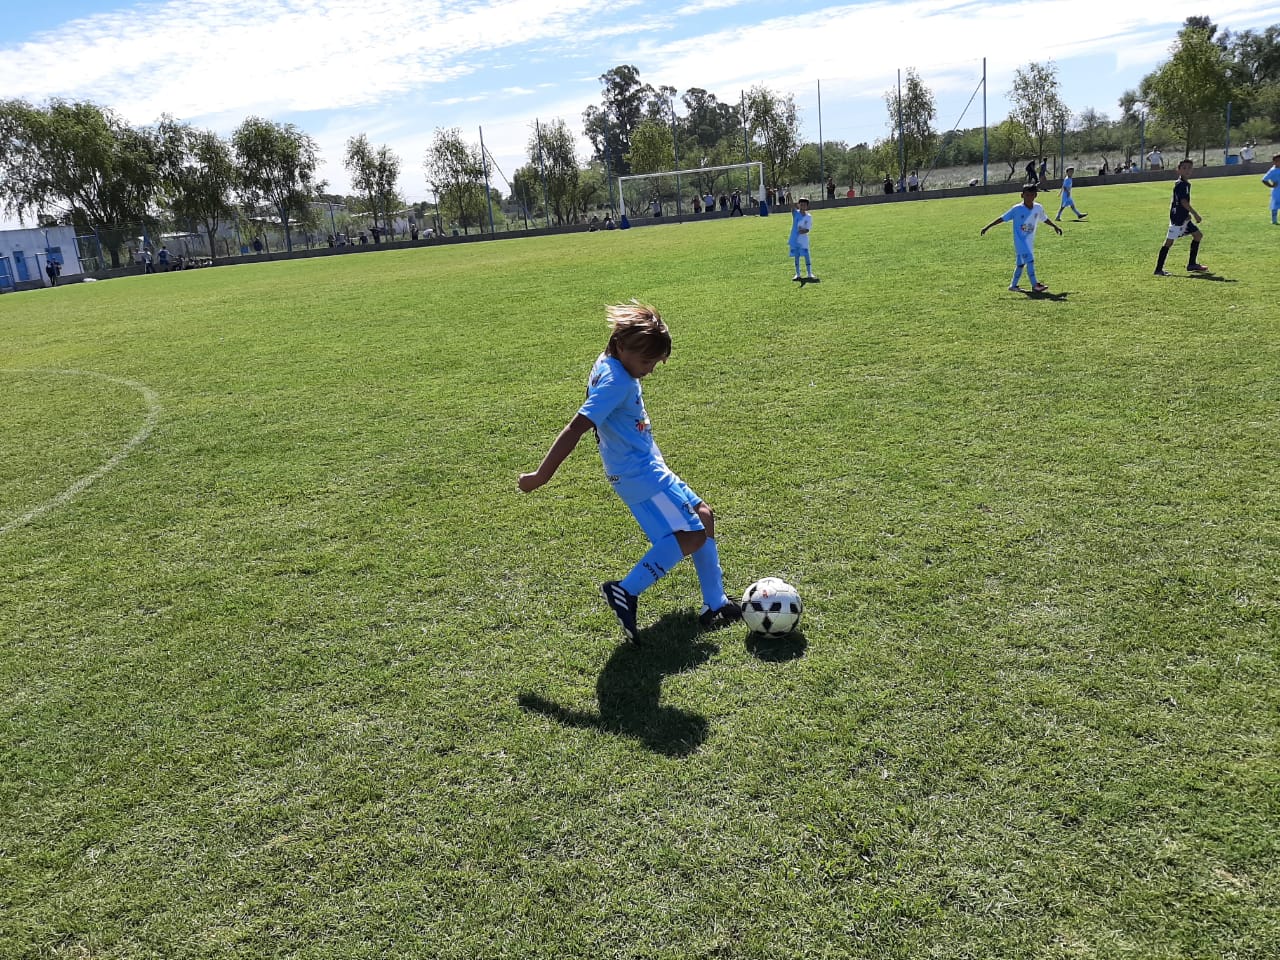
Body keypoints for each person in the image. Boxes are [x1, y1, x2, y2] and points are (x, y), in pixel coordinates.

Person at [518, 302, 742, 641]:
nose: (649, 370)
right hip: (640, 474)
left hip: (647, 466)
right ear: (622, 346)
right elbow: (576, 427)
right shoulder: (616, 382)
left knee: (703, 516)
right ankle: (625, 591)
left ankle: (715, 604)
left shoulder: (608, 360)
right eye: (646, 362)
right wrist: (541, 476)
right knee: (692, 535)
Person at [980, 183, 1062, 293]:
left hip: (1029, 241)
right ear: (1022, 195)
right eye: (1027, 195)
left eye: (1032, 195)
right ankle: (1035, 285)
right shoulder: (1017, 209)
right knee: (1030, 261)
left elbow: (1044, 219)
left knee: (1020, 264)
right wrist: (987, 227)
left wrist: (1055, 226)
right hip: (1020, 242)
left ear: (1036, 195)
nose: (1029, 198)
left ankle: (1013, 286)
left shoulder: (1038, 208)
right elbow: (1002, 218)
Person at [1154, 158, 1207, 275]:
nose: (1187, 170)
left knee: (1198, 235)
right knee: (1168, 242)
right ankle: (1158, 270)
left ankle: (1192, 264)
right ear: (1178, 170)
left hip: (1183, 217)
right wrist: (1195, 214)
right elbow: (1183, 202)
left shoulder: (1185, 184)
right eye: (1184, 168)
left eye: (1189, 168)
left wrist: (1186, 214)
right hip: (1178, 219)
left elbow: (1177, 202)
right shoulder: (1181, 184)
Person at [789, 196, 818, 282]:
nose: (802, 206)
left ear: (807, 206)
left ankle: (809, 273)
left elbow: (808, 229)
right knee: (796, 256)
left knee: (806, 255)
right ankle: (798, 274)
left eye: (804, 205)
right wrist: (789, 196)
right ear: (798, 205)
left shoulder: (808, 217)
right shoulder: (796, 214)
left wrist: (802, 231)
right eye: (801, 204)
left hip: (803, 239)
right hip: (795, 238)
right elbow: (792, 206)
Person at [1261, 154, 1280, 225]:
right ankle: (1274, 220)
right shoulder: (1273, 170)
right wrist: (1271, 186)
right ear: (1274, 162)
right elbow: (1264, 179)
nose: (1279, 162)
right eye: (1277, 161)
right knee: (1275, 206)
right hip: (1277, 191)